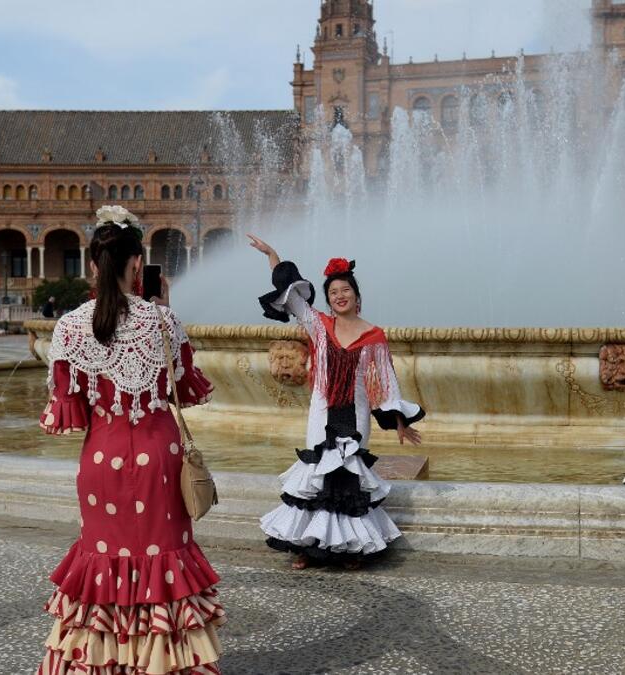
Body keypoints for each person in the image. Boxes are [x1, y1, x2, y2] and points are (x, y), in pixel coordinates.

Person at [36, 206, 224, 674]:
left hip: (104, 458)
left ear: (94, 267)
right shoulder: (162, 321)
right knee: (164, 560)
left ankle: (101, 663)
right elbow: (188, 390)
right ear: (137, 265)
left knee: (103, 561)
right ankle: (165, 662)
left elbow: (68, 413)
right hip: (162, 455)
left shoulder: (71, 329)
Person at [248, 235, 424, 570]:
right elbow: (293, 296)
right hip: (322, 409)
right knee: (316, 475)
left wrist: (400, 421)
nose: (339, 296)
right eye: (333, 292)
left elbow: (386, 381)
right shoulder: (319, 325)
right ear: (328, 300)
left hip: (355, 414)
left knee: (348, 477)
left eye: (345, 290)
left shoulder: (374, 336)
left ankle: (350, 549)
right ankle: (306, 547)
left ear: (357, 296)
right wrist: (273, 255)